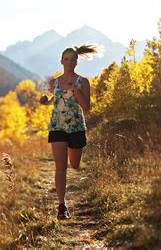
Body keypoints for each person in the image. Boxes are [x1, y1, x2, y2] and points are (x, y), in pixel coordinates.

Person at [39, 43, 99, 220]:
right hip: (57, 126)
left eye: (73, 60)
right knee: (60, 167)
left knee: (74, 165)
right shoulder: (54, 82)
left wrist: (76, 90)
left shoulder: (83, 82)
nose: (69, 62)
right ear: (61, 61)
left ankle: (63, 203)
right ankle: (62, 206)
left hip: (76, 127)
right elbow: (56, 101)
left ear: (76, 62)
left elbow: (86, 107)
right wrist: (45, 102)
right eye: (66, 59)